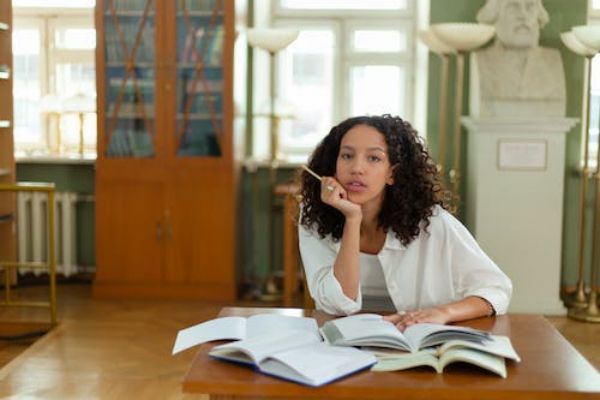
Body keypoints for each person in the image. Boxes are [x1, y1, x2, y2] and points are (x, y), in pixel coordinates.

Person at [298, 115, 512, 331]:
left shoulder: (432, 223)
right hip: (344, 341)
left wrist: (444, 312)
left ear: (392, 173)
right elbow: (337, 304)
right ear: (334, 166)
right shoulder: (315, 219)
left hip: (417, 340)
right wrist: (352, 219)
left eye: (373, 158)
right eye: (347, 155)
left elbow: (496, 290)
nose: (357, 168)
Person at [471, 0, 565, 117]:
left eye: (530, 7)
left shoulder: (552, 61)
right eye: (513, 7)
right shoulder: (483, 61)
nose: (523, 15)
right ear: (495, 17)